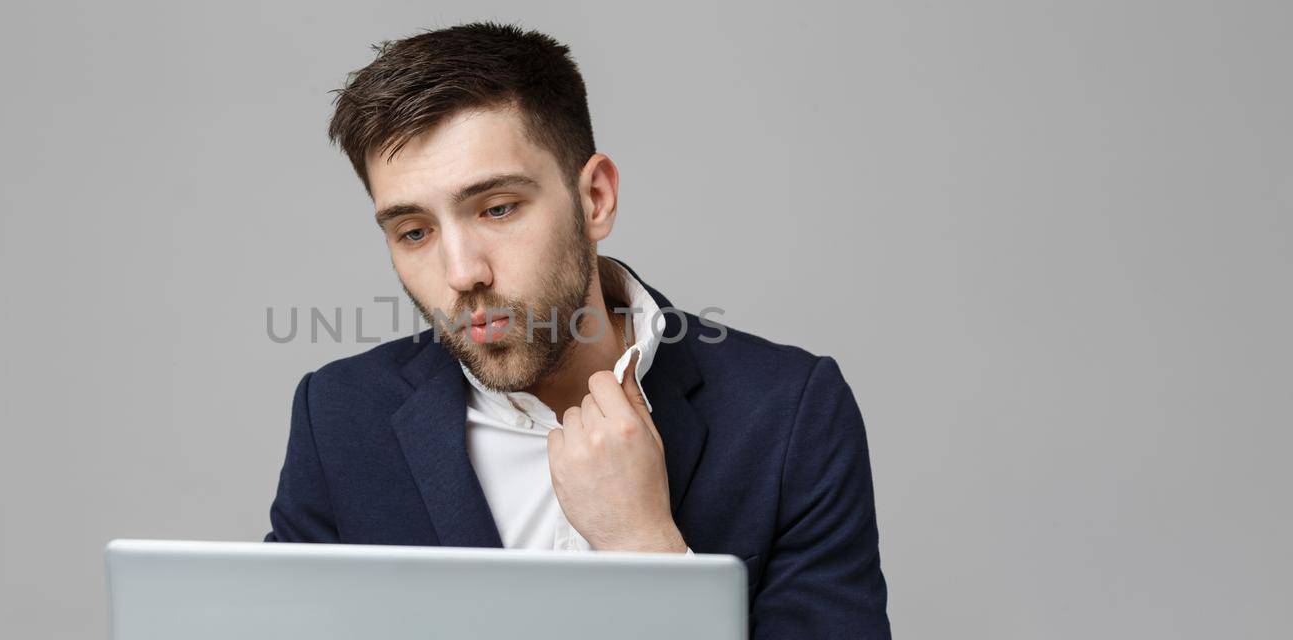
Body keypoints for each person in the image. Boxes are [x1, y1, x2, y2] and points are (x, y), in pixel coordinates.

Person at [263, 21, 891, 638]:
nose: (460, 274)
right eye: (414, 232)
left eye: (498, 208)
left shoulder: (789, 412)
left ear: (594, 198)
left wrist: (641, 545)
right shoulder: (338, 418)